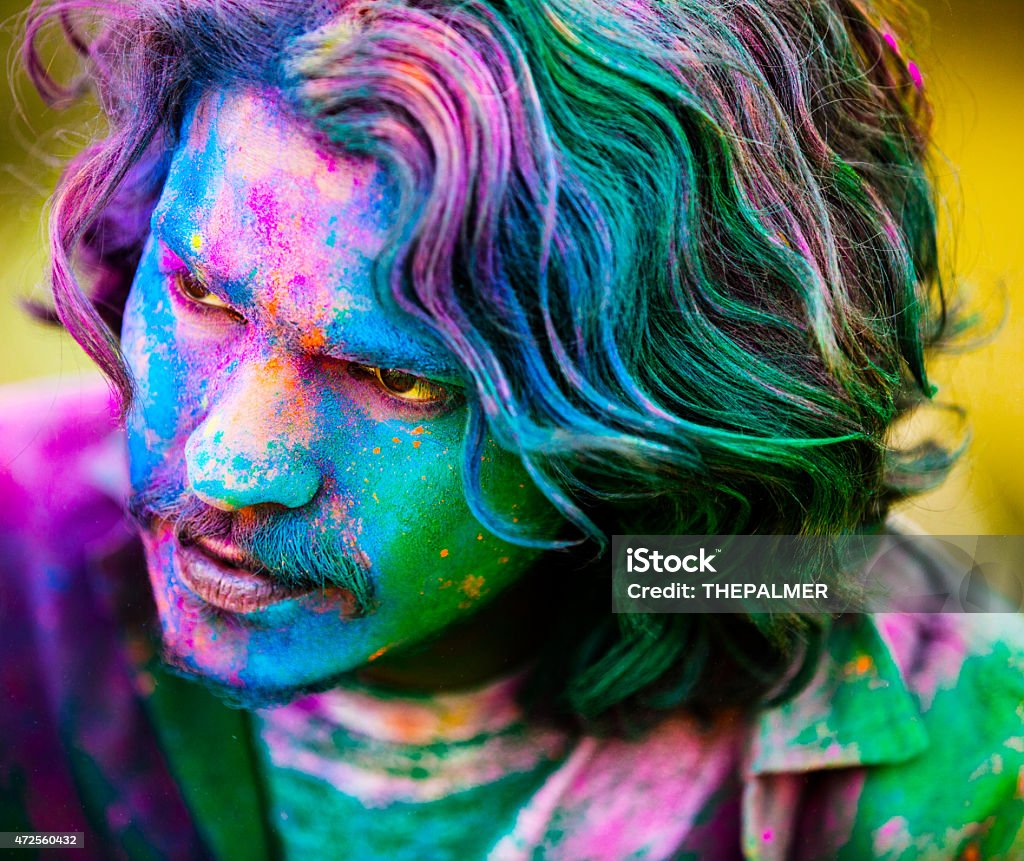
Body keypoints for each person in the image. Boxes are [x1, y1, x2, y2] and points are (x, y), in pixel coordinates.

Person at [2, 0, 1023, 858]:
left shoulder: (946, 710)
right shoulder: (15, 544)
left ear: (653, 419)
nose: (230, 463)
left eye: (391, 377)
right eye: (202, 297)